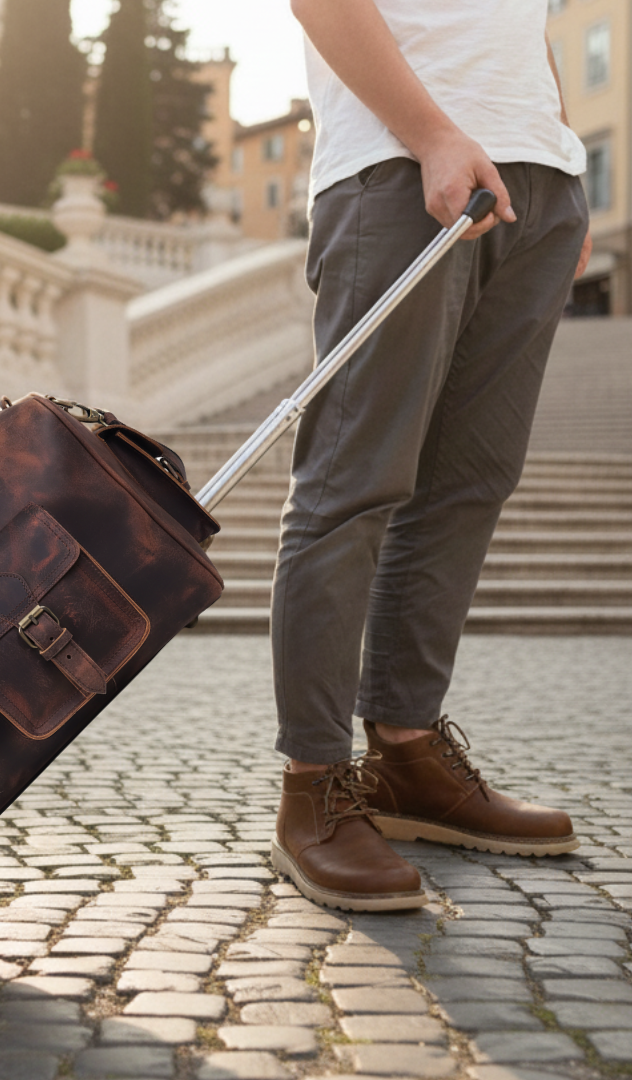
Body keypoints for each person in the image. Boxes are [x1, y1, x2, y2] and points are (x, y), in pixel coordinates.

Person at [271, 0, 592, 911]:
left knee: (468, 485)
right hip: (402, 170)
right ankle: (315, 788)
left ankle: (408, 759)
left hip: (533, 185)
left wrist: (556, 148)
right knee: (350, 484)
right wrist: (435, 135)